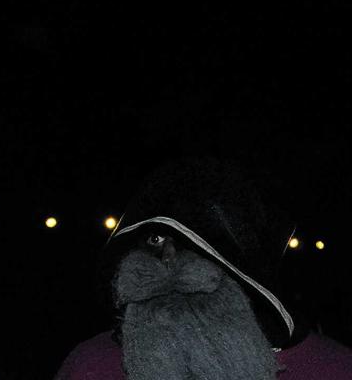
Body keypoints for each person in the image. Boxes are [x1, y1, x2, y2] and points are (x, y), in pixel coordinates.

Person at [55, 157, 352, 380]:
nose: (170, 257)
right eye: (155, 239)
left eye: (195, 242)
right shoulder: (89, 367)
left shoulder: (331, 369)